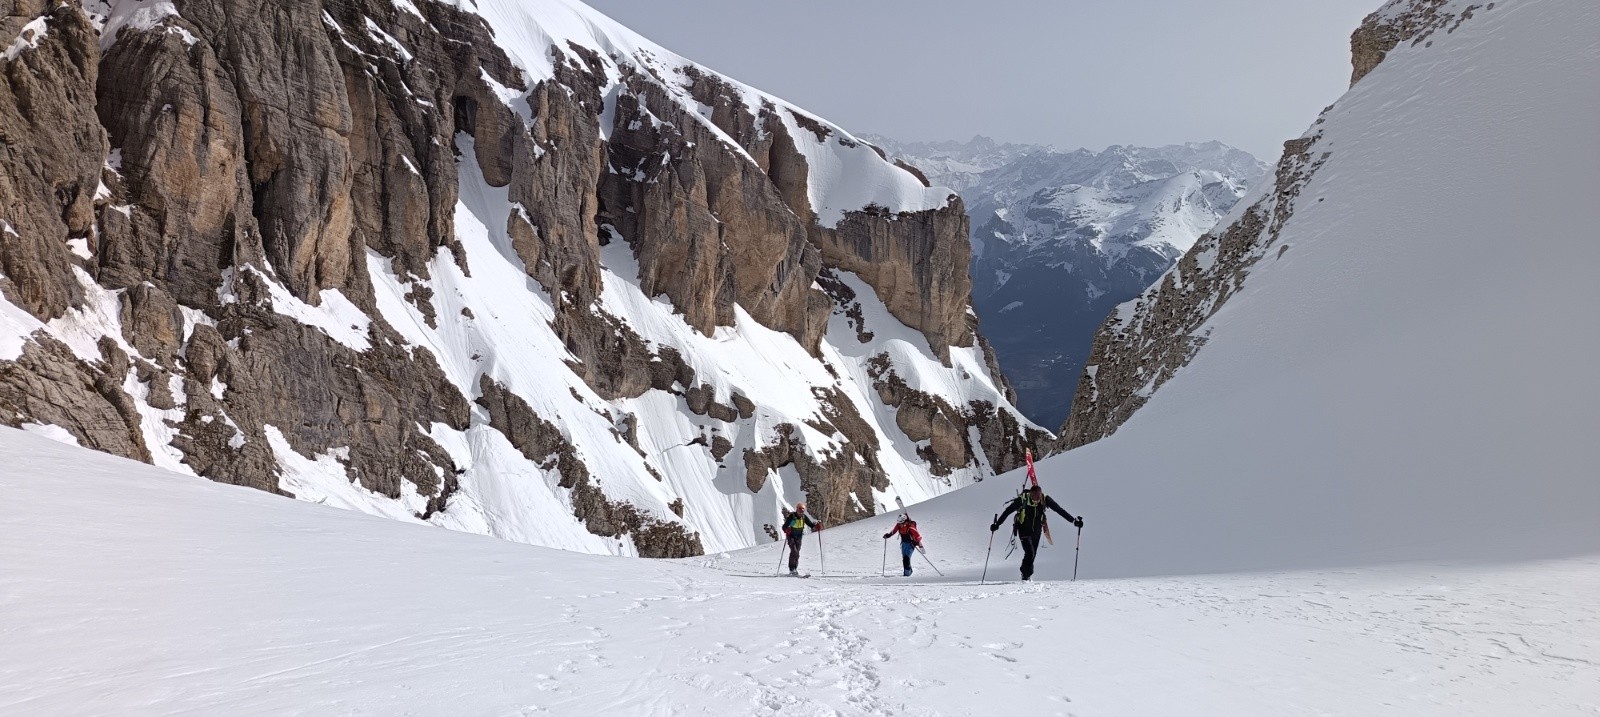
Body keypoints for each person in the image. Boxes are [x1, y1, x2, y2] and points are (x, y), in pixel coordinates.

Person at [990, 485, 1081, 581]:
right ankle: (1025, 576)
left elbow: (1059, 509)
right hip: (1023, 529)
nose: (1036, 500)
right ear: (1030, 494)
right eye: (1034, 497)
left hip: (1037, 530)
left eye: (1038, 497)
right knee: (1030, 553)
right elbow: (1008, 511)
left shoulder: (1045, 499)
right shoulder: (1023, 499)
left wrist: (1073, 521)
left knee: (1033, 554)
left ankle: (1026, 574)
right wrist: (997, 524)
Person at [781, 503, 821, 576]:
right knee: (794, 552)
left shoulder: (804, 517)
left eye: (802, 511)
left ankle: (795, 569)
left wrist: (816, 526)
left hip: (799, 537)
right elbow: (784, 527)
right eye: (800, 511)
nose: (801, 513)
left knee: (797, 553)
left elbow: (810, 524)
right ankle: (791, 569)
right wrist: (786, 530)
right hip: (791, 536)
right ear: (797, 510)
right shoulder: (792, 516)